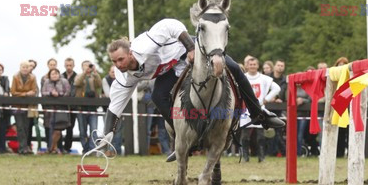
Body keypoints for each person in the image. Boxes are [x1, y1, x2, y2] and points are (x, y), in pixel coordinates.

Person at [102, 18, 284, 162]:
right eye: (114, 62)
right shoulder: (124, 76)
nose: (118, 65)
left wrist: (190, 47)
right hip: (171, 68)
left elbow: (170, 24)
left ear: (131, 53)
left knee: (234, 68)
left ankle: (259, 114)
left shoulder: (145, 44)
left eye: (121, 60)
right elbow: (115, 106)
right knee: (158, 96)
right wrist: (106, 135)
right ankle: (182, 142)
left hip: (187, 49)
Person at [239, 57, 281, 162]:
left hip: (259, 110)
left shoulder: (263, 78)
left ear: (258, 66)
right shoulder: (242, 77)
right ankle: (245, 157)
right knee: (245, 136)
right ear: (247, 66)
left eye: (254, 64)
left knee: (260, 136)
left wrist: (266, 99)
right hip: (245, 110)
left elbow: (277, 88)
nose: (252, 66)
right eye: (250, 64)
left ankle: (261, 157)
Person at [74, 60, 102, 153]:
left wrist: (95, 72)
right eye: (85, 66)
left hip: (93, 107)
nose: (87, 67)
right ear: (82, 67)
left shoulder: (94, 76)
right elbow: (77, 83)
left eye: (89, 65)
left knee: (93, 130)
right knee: (83, 131)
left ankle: (92, 149)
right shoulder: (79, 76)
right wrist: (84, 73)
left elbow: (99, 85)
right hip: (81, 107)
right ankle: (85, 149)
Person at [10, 61, 37, 154]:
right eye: (23, 67)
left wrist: (27, 94)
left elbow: (34, 90)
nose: (25, 69)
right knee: (20, 127)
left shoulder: (33, 78)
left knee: (26, 127)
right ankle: (22, 148)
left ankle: (25, 147)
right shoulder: (15, 77)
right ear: (20, 68)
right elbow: (13, 92)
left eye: (26, 67)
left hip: (28, 106)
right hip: (17, 106)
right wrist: (25, 94)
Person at [42, 68, 71, 154]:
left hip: (61, 108)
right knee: (50, 129)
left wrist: (59, 95)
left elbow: (68, 92)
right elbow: (43, 92)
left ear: (59, 74)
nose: (54, 75)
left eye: (56, 74)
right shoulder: (46, 82)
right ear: (50, 75)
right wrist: (51, 94)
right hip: (50, 109)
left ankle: (53, 148)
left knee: (58, 130)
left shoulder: (64, 81)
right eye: (52, 74)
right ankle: (52, 148)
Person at [102, 65, 123, 155]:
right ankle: (107, 150)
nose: (114, 74)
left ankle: (116, 150)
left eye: (115, 72)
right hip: (108, 109)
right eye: (112, 72)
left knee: (118, 131)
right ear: (109, 72)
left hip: (120, 110)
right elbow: (108, 94)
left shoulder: (122, 80)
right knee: (108, 131)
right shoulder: (105, 80)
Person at [61, 57, 78, 153]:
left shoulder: (77, 76)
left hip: (73, 105)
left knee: (70, 127)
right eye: (67, 65)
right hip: (62, 105)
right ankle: (60, 147)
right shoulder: (61, 76)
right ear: (64, 66)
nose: (68, 67)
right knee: (59, 126)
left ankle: (67, 147)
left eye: (70, 65)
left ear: (73, 65)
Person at [41, 58, 58, 150]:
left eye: (54, 64)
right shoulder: (44, 78)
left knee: (58, 127)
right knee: (47, 126)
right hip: (47, 106)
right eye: (51, 64)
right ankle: (49, 146)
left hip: (58, 107)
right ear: (48, 65)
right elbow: (42, 92)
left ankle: (56, 146)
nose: (52, 66)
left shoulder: (60, 78)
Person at [27, 59, 41, 151]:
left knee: (30, 126)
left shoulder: (34, 77)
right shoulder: (20, 75)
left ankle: (28, 145)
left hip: (32, 106)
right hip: (23, 105)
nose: (31, 67)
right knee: (23, 126)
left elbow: (36, 91)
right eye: (30, 65)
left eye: (33, 66)